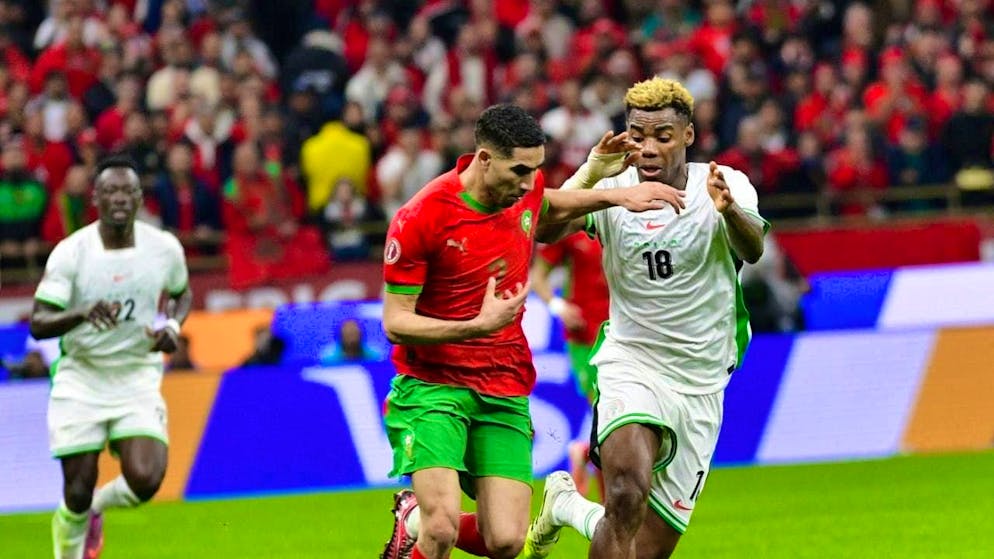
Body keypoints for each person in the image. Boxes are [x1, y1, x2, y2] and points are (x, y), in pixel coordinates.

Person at [378, 103, 685, 559]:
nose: (528, 182)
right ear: (484, 159)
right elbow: (395, 322)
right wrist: (476, 326)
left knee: (505, 541)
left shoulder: (523, 188)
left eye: (535, 169)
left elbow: (549, 203)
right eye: (519, 170)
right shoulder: (421, 216)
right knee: (441, 529)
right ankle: (425, 523)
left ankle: (412, 519)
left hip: (503, 384)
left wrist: (615, 194)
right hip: (433, 386)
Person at [522, 77, 768, 559]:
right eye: (638, 135)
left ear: (688, 135)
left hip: (700, 381)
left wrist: (730, 213)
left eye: (662, 136)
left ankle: (566, 505)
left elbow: (753, 248)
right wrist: (590, 173)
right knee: (624, 493)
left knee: (645, 549)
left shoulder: (723, 183)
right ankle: (582, 500)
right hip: (632, 363)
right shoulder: (611, 185)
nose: (648, 147)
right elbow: (545, 229)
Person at [30, 155, 192, 559]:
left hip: (136, 373)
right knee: (77, 489)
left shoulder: (163, 248)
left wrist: (173, 327)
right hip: (82, 375)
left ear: (139, 199)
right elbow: (39, 321)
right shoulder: (72, 252)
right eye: (110, 191)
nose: (119, 198)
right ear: (95, 198)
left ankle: (98, 508)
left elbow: (182, 292)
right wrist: (82, 312)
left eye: (127, 191)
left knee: (146, 479)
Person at [530, 231, 609, 498]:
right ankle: (610, 504)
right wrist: (558, 306)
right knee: (606, 416)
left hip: (626, 332)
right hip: (585, 336)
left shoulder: (629, 218)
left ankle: (584, 452)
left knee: (616, 419)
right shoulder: (575, 227)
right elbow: (538, 275)